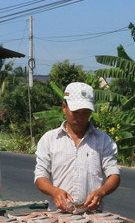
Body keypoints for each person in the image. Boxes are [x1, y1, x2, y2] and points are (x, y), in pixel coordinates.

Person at [34, 82, 120, 212]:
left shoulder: (103, 140)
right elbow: (40, 177)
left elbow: (114, 175)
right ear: (64, 107)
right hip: (58, 215)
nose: (80, 118)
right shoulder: (49, 140)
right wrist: (54, 191)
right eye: (75, 112)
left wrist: (101, 192)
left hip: (93, 214)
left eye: (85, 113)